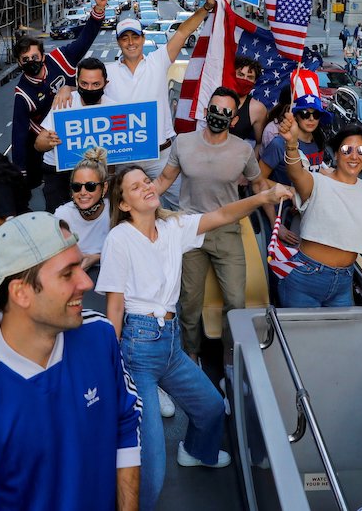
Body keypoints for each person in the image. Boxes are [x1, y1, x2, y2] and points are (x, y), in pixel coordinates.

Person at [98, 165, 291, 511]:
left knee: (212, 408)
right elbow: (114, 308)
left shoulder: (173, 227)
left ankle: (195, 451)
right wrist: (112, 368)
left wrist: (262, 196)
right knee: (152, 464)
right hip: (138, 347)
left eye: (147, 181)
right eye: (135, 187)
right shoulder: (119, 239)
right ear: (124, 204)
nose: (146, 187)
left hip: (170, 345)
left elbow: (221, 214)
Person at [0, 212, 142, 511]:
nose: (86, 283)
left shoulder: (100, 335)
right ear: (21, 293)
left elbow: (126, 424)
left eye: (80, 266)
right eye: (68, 273)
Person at [154, 87, 266, 363]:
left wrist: (277, 221)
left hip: (227, 229)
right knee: (189, 302)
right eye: (215, 109)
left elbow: (259, 185)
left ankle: (232, 357)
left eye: (227, 112)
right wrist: (136, 202)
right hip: (190, 229)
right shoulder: (183, 142)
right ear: (205, 112)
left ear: (235, 120)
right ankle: (191, 354)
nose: (219, 116)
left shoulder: (243, 151)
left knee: (236, 301)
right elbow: (163, 181)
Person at [276, 121, 362, 308]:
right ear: (336, 154)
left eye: (361, 150)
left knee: (339, 337)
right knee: (301, 337)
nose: (355, 156)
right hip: (305, 278)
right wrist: (291, 144)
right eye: (347, 149)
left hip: (344, 282)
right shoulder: (317, 182)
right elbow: (296, 173)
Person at [105, 0, 216, 203]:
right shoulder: (108, 72)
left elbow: (183, 33)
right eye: (125, 38)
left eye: (135, 37)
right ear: (119, 42)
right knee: (127, 210)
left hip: (162, 156)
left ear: (142, 38)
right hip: (127, 157)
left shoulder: (158, 61)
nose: (130, 43)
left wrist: (206, 8)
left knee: (180, 206)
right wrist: (66, 90)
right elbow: (85, 88)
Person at [11, 0, 108, 191]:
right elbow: (19, 134)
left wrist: (99, 9)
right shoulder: (23, 93)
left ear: (43, 56)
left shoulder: (60, 58)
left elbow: (85, 39)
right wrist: (19, 170)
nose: (31, 62)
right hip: (54, 140)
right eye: (25, 60)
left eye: (35, 57)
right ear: (19, 63)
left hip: (84, 126)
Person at [34, 57, 117, 212]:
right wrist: (48, 141)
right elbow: (38, 144)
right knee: (58, 217)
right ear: (77, 82)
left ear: (105, 84)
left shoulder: (113, 108)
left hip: (94, 171)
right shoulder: (65, 102)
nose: (90, 88)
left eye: (96, 84)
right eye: (84, 83)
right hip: (58, 170)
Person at [259, 93, 332, 247]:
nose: (311, 119)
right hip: (279, 214)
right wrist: (276, 225)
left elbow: (315, 172)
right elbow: (258, 181)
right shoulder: (279, 144)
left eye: (316, 114)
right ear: (296, 116)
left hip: (308, 215)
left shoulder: (318, 142)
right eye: (305, 114)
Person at [53, 146, 111, 271]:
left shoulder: (115, 212)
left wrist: (96, 258)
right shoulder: (62, 215)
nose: (83, 192)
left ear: (104, 188)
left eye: (90, 186)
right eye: (76, 186)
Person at [228, 56, 267, 148]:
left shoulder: (257, 109)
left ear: (255, 81)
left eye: (250, 77)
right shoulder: (217, 99)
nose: (244, 80)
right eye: (240, 75)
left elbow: (259, 144)